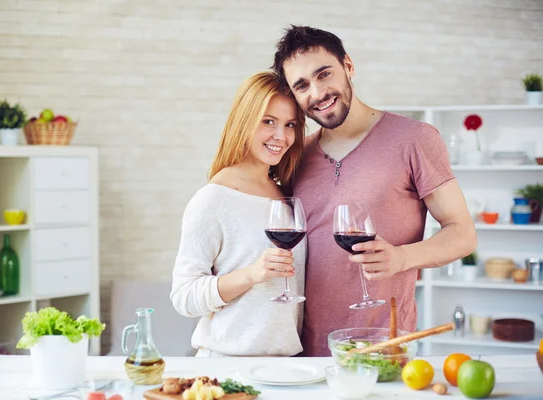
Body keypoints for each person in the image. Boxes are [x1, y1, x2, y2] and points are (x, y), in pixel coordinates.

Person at [271, 26, 477, 356]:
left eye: (324, 74)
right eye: (302, 86)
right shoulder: (297, 155)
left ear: (348, 66)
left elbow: (463, 234)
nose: (318, 92)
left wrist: (402, 257)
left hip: (384, 346)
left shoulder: (415, 138)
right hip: (303, 351)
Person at [170, 71, 307, 357]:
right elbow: (184, 298)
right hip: (226, 366)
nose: (281, 137)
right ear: (244, 121)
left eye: (290, 125)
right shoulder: (213, 199)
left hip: (285, 366)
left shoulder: (285, 197)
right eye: (268, 121)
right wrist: (251, 274)